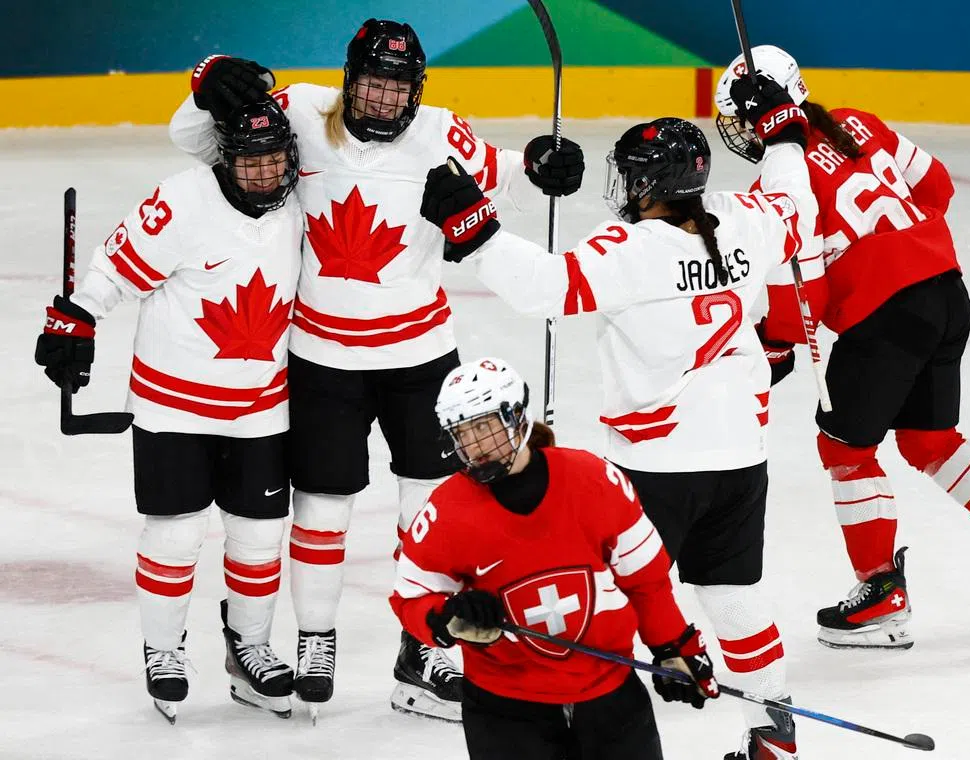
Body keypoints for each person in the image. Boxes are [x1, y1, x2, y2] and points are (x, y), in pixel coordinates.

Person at [167, 20, 585, 720]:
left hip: (420, 358)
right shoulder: (299, 112)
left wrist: (545, 162)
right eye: (372, 85)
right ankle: (316, 638)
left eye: (400, 89)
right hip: (322, 356)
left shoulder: (441, 133)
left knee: (431, 511)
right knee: (322, 509)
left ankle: (421, 654)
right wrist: (204, 82)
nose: (386, 102)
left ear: (416, 90)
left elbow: (508, 174)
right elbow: (194, 138)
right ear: (347, 79)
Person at [418, 79, 818, 759]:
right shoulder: (748, 218)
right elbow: (795, 203)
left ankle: (577, 726)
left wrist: (476, 232)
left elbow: (546, 288)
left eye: (633, 178)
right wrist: (781, 128)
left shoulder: (631, 250)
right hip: (740, 458)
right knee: (732, 594)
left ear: (653, 182)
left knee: (607, 594)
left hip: (653, 466)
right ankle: (773, 732)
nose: (625, 190)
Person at [713, 46, 970, 650]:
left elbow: (797, 306)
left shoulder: (777, 189)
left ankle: (882, 591)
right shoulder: (857, 120)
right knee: (930, 440)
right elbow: (936, 187)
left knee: (843, 447)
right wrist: (905, 248)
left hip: (885, 319)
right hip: (946, 291)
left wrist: (773, 345)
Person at [34, 99, 303, 722]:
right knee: (175, 534)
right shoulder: (181, 201)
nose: (264, 175)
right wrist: (74, 321)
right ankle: (163, 651)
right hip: (172, 406)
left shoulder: (299, 204)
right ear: (223, 160)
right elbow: (113, 268)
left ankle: (251, 649)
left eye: (274, 161)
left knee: (260, 537)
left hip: (262, 406)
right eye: (249, 162)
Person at [390, 357, 718, 760]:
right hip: (506, 708)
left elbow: (645, 578)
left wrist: (674, 645)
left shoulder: (593, 479)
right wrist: (446, 617)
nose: (473, 446)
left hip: (610, 693)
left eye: (483, 427)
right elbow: (410, 597)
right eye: (461, 432)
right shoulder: (445, 511)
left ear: (516, 419)